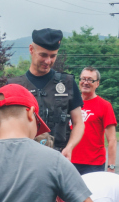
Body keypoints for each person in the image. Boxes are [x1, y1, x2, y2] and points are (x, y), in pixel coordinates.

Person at [8, 28, 84, 160]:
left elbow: (78, 123)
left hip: (58, 156)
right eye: (43, 55)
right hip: (24, 157)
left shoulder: (67, 83)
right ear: (31, 49)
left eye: (53, 56)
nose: (48, 61)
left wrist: (69, 147)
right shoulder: (14, 86)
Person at [70, 67, 118, 175]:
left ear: (97, 83)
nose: (86, 83)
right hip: (70, 160)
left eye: (90, 80)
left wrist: (111, 166)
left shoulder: (105, 106)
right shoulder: (70, 104)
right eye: (83, 79)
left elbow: (112, 140)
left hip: (94, 164)